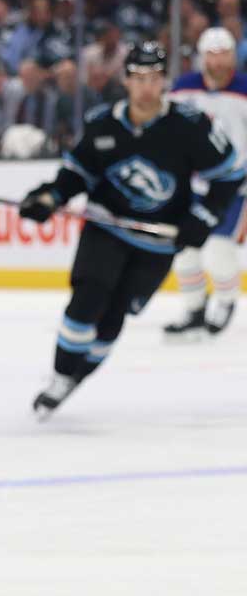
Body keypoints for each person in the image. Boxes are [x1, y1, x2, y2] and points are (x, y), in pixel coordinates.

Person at [19, 43, 244, 419]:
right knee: (88, 298)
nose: (145, 87)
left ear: (164, 82)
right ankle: (60, 376)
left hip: (158, 239)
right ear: (126, 80)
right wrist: (49, 197)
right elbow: (77, 173)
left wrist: (202, 218)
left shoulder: (190, 126)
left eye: (153, 79)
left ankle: (78, 377)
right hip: (106, 226)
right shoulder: (102, 122)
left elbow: (230, 174)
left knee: (114, 315)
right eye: (138, 78)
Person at [164, 27, 247, 338]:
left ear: (233, 56)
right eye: (212, 54)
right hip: (194, 187)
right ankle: (194, 309)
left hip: (236, 188)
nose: (218, 61)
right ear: (202, 57)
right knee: (185, 250)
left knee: (219, 250)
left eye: (224, 53)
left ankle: (225, 301)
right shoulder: (183, 89)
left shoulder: (244, 90)